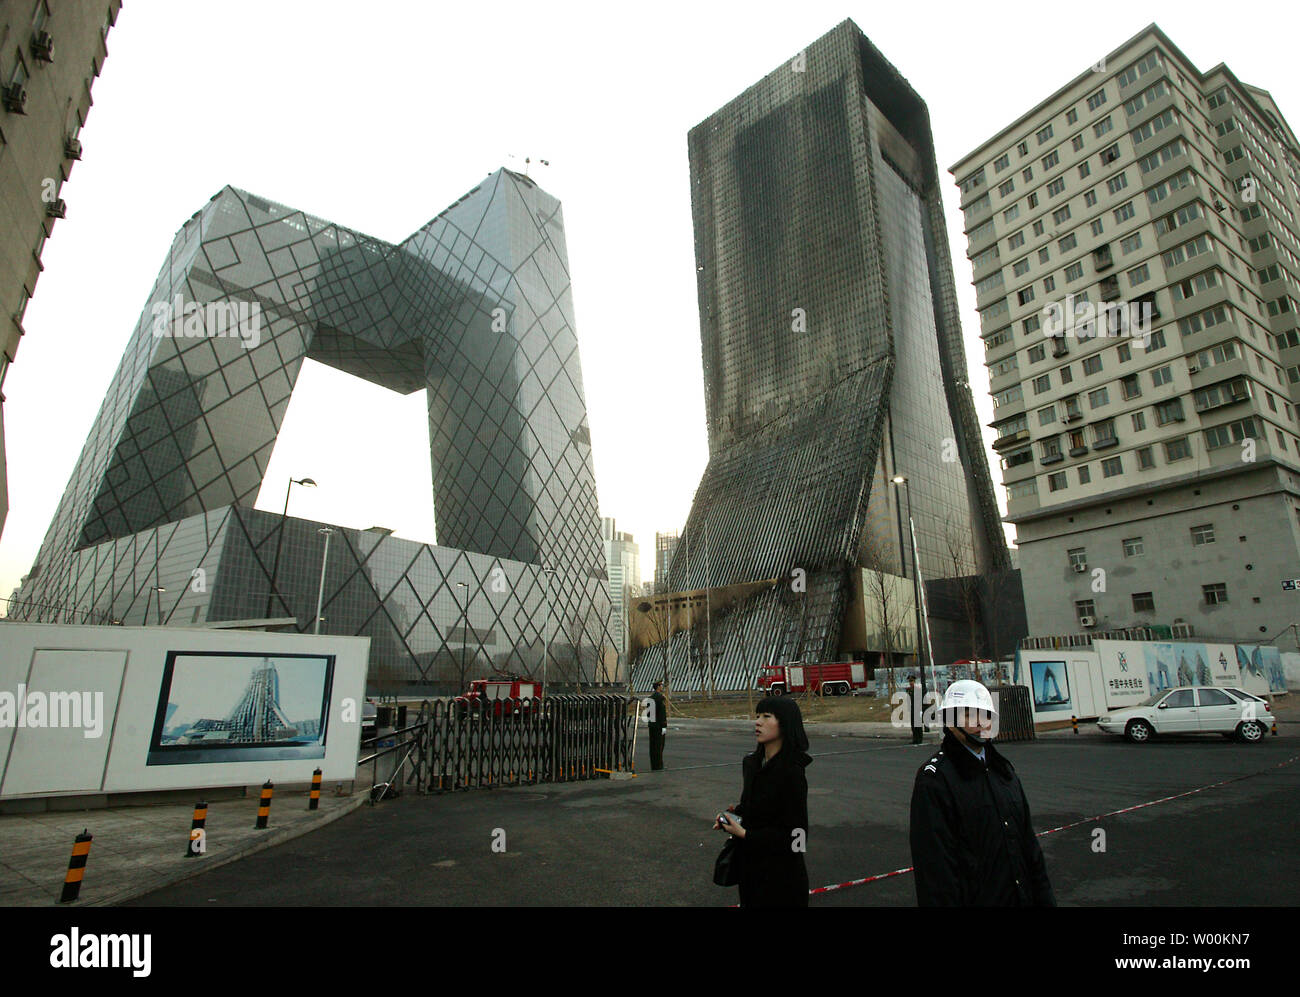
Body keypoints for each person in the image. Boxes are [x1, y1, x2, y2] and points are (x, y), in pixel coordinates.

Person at [909, 679, 1055, 907]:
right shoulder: (935, 780)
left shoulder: (1004, 771)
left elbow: (1030, 850)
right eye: (969, 714)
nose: (980, 722)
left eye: (985, 714)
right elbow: (935, 873)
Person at [713, 696, 812, 907]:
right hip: (751, 871)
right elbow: (750, 806)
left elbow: (798, 836)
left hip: (782, 879)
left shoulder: (792, 772)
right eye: (757, 716)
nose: (758, 722)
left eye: (767, 716)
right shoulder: (752, 764)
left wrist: (747, 834)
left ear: (785, 723)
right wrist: (732, 818)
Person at [648, 681, 667, 771]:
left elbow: (648, 714)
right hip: (659, 725)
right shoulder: (660, 698)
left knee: (652, 746)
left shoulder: (650, 698)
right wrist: (664, 725)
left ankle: (654, 765)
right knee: (659, 746)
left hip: (652, 725)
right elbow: (662, 713)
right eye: (661, 685)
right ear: (658, 687)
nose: (662, 687)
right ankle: (659, 765)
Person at [906, 676, 923, 745]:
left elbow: (920, 699)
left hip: (918, 708)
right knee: (913, 725)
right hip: (912, 708)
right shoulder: (909, 690)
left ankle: (919, 739)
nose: (911, 683)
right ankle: (915, 738)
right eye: (910, 681)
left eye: (912, 681)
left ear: (914, 681)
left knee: (918, 725)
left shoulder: (918, 689)